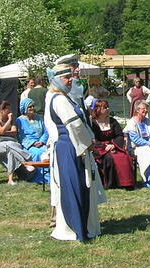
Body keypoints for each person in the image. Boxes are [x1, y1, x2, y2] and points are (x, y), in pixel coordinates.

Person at [44, 57, 106, 241]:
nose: (70, 80)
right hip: (69, 147)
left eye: (70, 76)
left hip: (73, 146)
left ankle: (82, 226)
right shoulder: (59, 99)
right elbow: (74, 126)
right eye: (66, 78)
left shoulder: (64, 97)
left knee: (80, 185)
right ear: (56, 80)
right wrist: (88, 144)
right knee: (74, 186)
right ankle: (76, 229)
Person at [91, 98, 136, 189]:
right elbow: (93, 139)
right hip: (100, 148)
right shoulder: (93, 123)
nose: (108, 109)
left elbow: (119, 135)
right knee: (109, 158)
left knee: (124, 157)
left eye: (108, 107)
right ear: (98, 109)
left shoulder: (112, 121)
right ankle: (112, 183)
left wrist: (113, 145)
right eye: (105, 108)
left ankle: (126, 183)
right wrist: (104, 146)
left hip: (114, 146)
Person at [0, 101, 35, 186]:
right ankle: (25, 163)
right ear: (2, 110)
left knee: (10, 151)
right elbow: (1, 131)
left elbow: (14, 132)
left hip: (11, 142)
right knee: (9, 146)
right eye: (8, 109)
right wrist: (9, 121)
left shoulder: (12, 118)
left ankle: (10, 180)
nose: (10, 111)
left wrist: (1, 132)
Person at [16, 98, 49, 184]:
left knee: (47, 151)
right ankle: (38, 177)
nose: (32, 108)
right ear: (24, 108)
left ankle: (49, 175)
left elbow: (45, 132)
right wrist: (33, 143)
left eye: (33, 106)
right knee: (37, 153)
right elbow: (21, 136)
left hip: (40, 143)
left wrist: (41, 141)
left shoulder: (38, 118)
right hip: (29, 145)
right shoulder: (19, 120)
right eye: (30, 107)